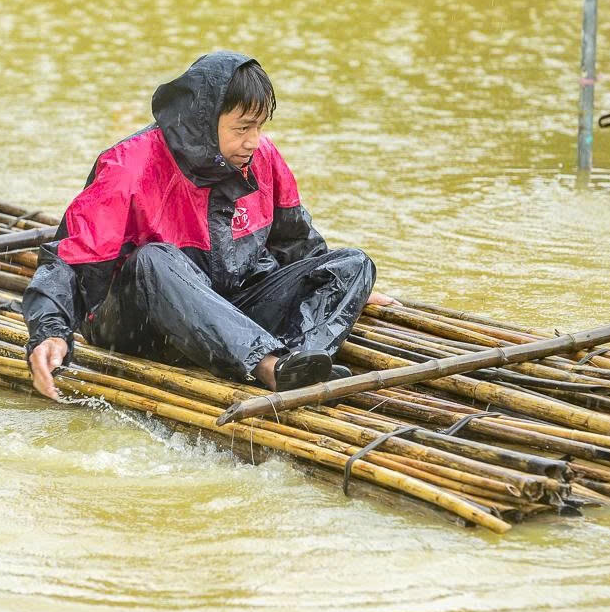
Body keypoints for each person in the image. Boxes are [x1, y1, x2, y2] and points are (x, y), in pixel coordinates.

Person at [23, 51, 395, 399]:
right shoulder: (128, 166)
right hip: (142, 325)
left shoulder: (262, 157)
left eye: (260, 127)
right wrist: (51, 332)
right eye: (242, 128)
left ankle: (301, 363)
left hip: (227, 309)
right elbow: (70, 260)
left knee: (353, 264)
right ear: (204, 121)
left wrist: (338, 285)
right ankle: (268, 366)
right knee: (153, 259)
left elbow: (296, 241)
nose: (254, 141)